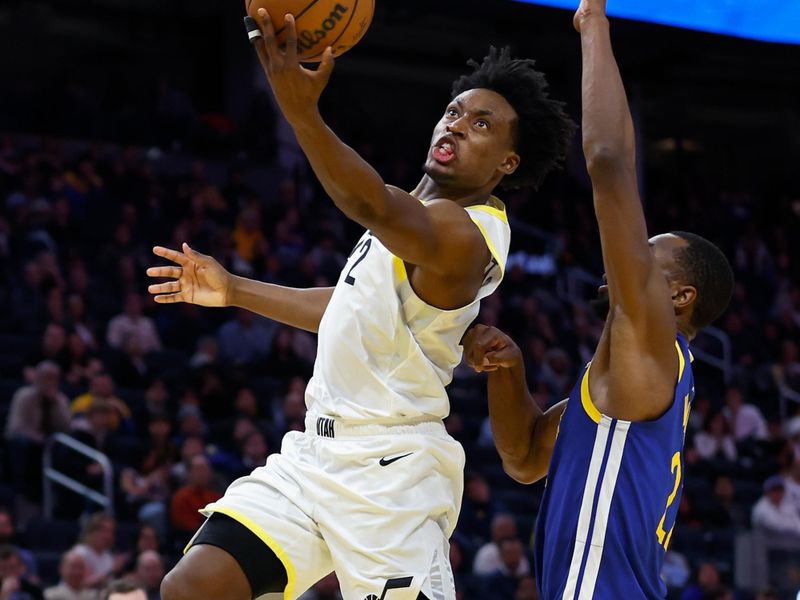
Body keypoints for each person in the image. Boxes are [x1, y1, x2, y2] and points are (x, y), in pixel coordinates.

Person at [150, 12, 574, 600]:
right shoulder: (416, 215)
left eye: (482, 125)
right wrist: (234, 291)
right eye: (454, 112)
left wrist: (300, 110)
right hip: (315, 456)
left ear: (507, 164)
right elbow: (347, 309)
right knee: (192, 588)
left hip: (391, 480)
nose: (456, 127)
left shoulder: (466, 234)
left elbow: (371, 204)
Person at [461, 2, 735, 598]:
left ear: (679, 296)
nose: (630, 256)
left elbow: (608, 162)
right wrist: (508, 374)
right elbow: (527, 459)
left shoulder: (652, 351)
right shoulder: (625, 381)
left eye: (649, 252)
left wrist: (594, 24)